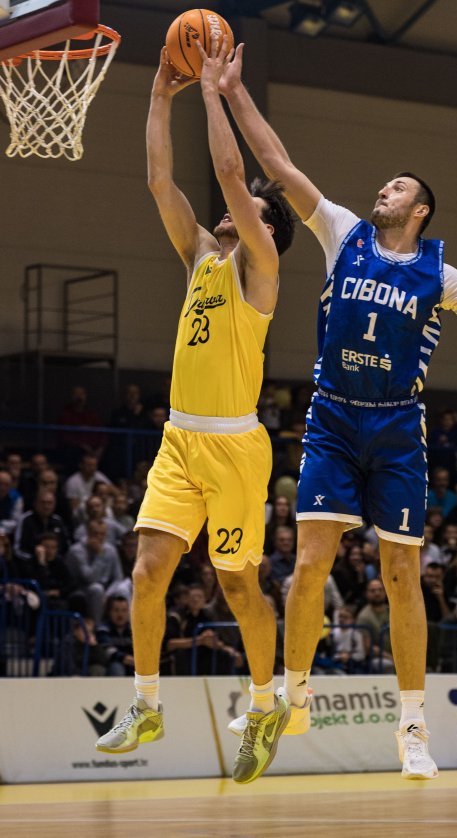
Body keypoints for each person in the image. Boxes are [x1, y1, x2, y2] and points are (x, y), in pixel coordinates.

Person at [218, 40, 457, 780]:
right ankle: (292, 698)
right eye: (383, 186)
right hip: (332, 416)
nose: (381, 191)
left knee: (400, 574)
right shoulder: (342, 232)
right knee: (311, 563)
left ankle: (413, 726)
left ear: (419, 210)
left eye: (396, 188)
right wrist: (230, 91)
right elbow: (282, 166)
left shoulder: (439, 271)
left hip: (395, 426)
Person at [94, 37, 295, 788]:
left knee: (238, 585)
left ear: (266, 230)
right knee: (148, 573)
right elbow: (158, 179)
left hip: (237, 450)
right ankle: (146, 703)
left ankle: (267, 705)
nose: (227, 213)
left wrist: (214, 93)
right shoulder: (200, 262)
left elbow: (233, 172)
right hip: (180, 439)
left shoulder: (263, 271)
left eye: (247, 214)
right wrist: (159, 94)